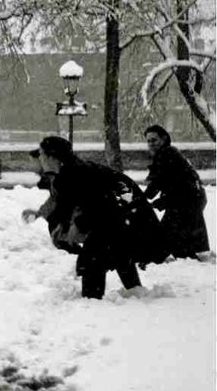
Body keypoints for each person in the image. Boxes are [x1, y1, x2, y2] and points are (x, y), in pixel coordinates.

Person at [25, 135, 159, 300]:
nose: (40, 158)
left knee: (94, 256)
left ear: (52, 157)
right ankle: (134, 291)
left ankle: (92, 302)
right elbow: (65, 203)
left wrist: (78, 226)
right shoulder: (67, 173)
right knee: (116, 248)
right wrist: (52, 218)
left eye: (42, 154)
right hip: (121, 212)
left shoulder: (76, 173)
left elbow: (97, 204)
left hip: (128, 209)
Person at [143, 124, 210, 259]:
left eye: (154, 140)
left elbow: (158, 182)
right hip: (189, 198)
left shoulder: (167, 154)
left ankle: (183, 262)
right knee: (177, 238)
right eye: (148, 141)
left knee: (168, 236)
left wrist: (144, 198)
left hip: (186, 200)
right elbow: (161, 182)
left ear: (163, 139)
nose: (151, 144)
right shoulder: (167, 153)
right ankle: (187, 258)